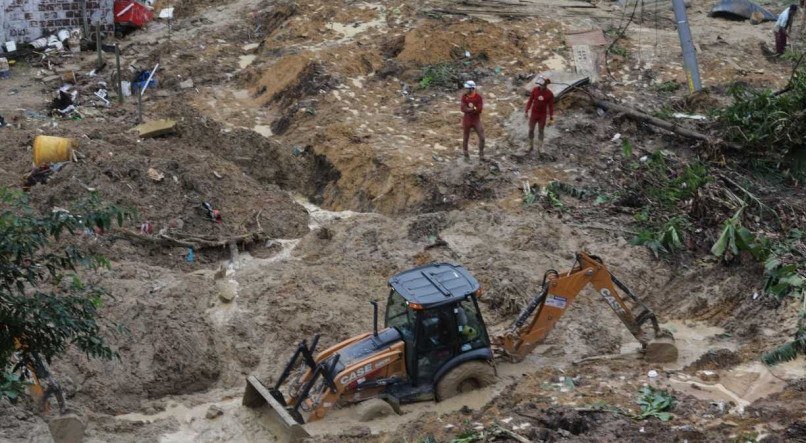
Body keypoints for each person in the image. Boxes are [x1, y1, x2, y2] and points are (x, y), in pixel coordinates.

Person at [524, 76, 555, 156]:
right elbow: (530, 101)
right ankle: (530, 145)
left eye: (542, 85)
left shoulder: (549, 94)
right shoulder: (535, 90)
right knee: (531, 129)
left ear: (546, 85)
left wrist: (551, 116)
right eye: (540, 85)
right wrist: (526, 110)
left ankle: (540, 147)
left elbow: (551, 106)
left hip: (542, 115)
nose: (541, 87)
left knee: (541, 130)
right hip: (534, 113)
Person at [460, 80, 485, 160]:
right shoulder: (464, 97)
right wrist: (473, 109)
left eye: (467, 88)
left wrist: (471, 109)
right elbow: (463, 109)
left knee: (482, 137)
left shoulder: (478, 97)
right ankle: (466, 154)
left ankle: (481, 154)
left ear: (472, 88)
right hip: (467, 119)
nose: (465, 90)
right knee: (466, 137)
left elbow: (480, 110)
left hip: (475, 120)